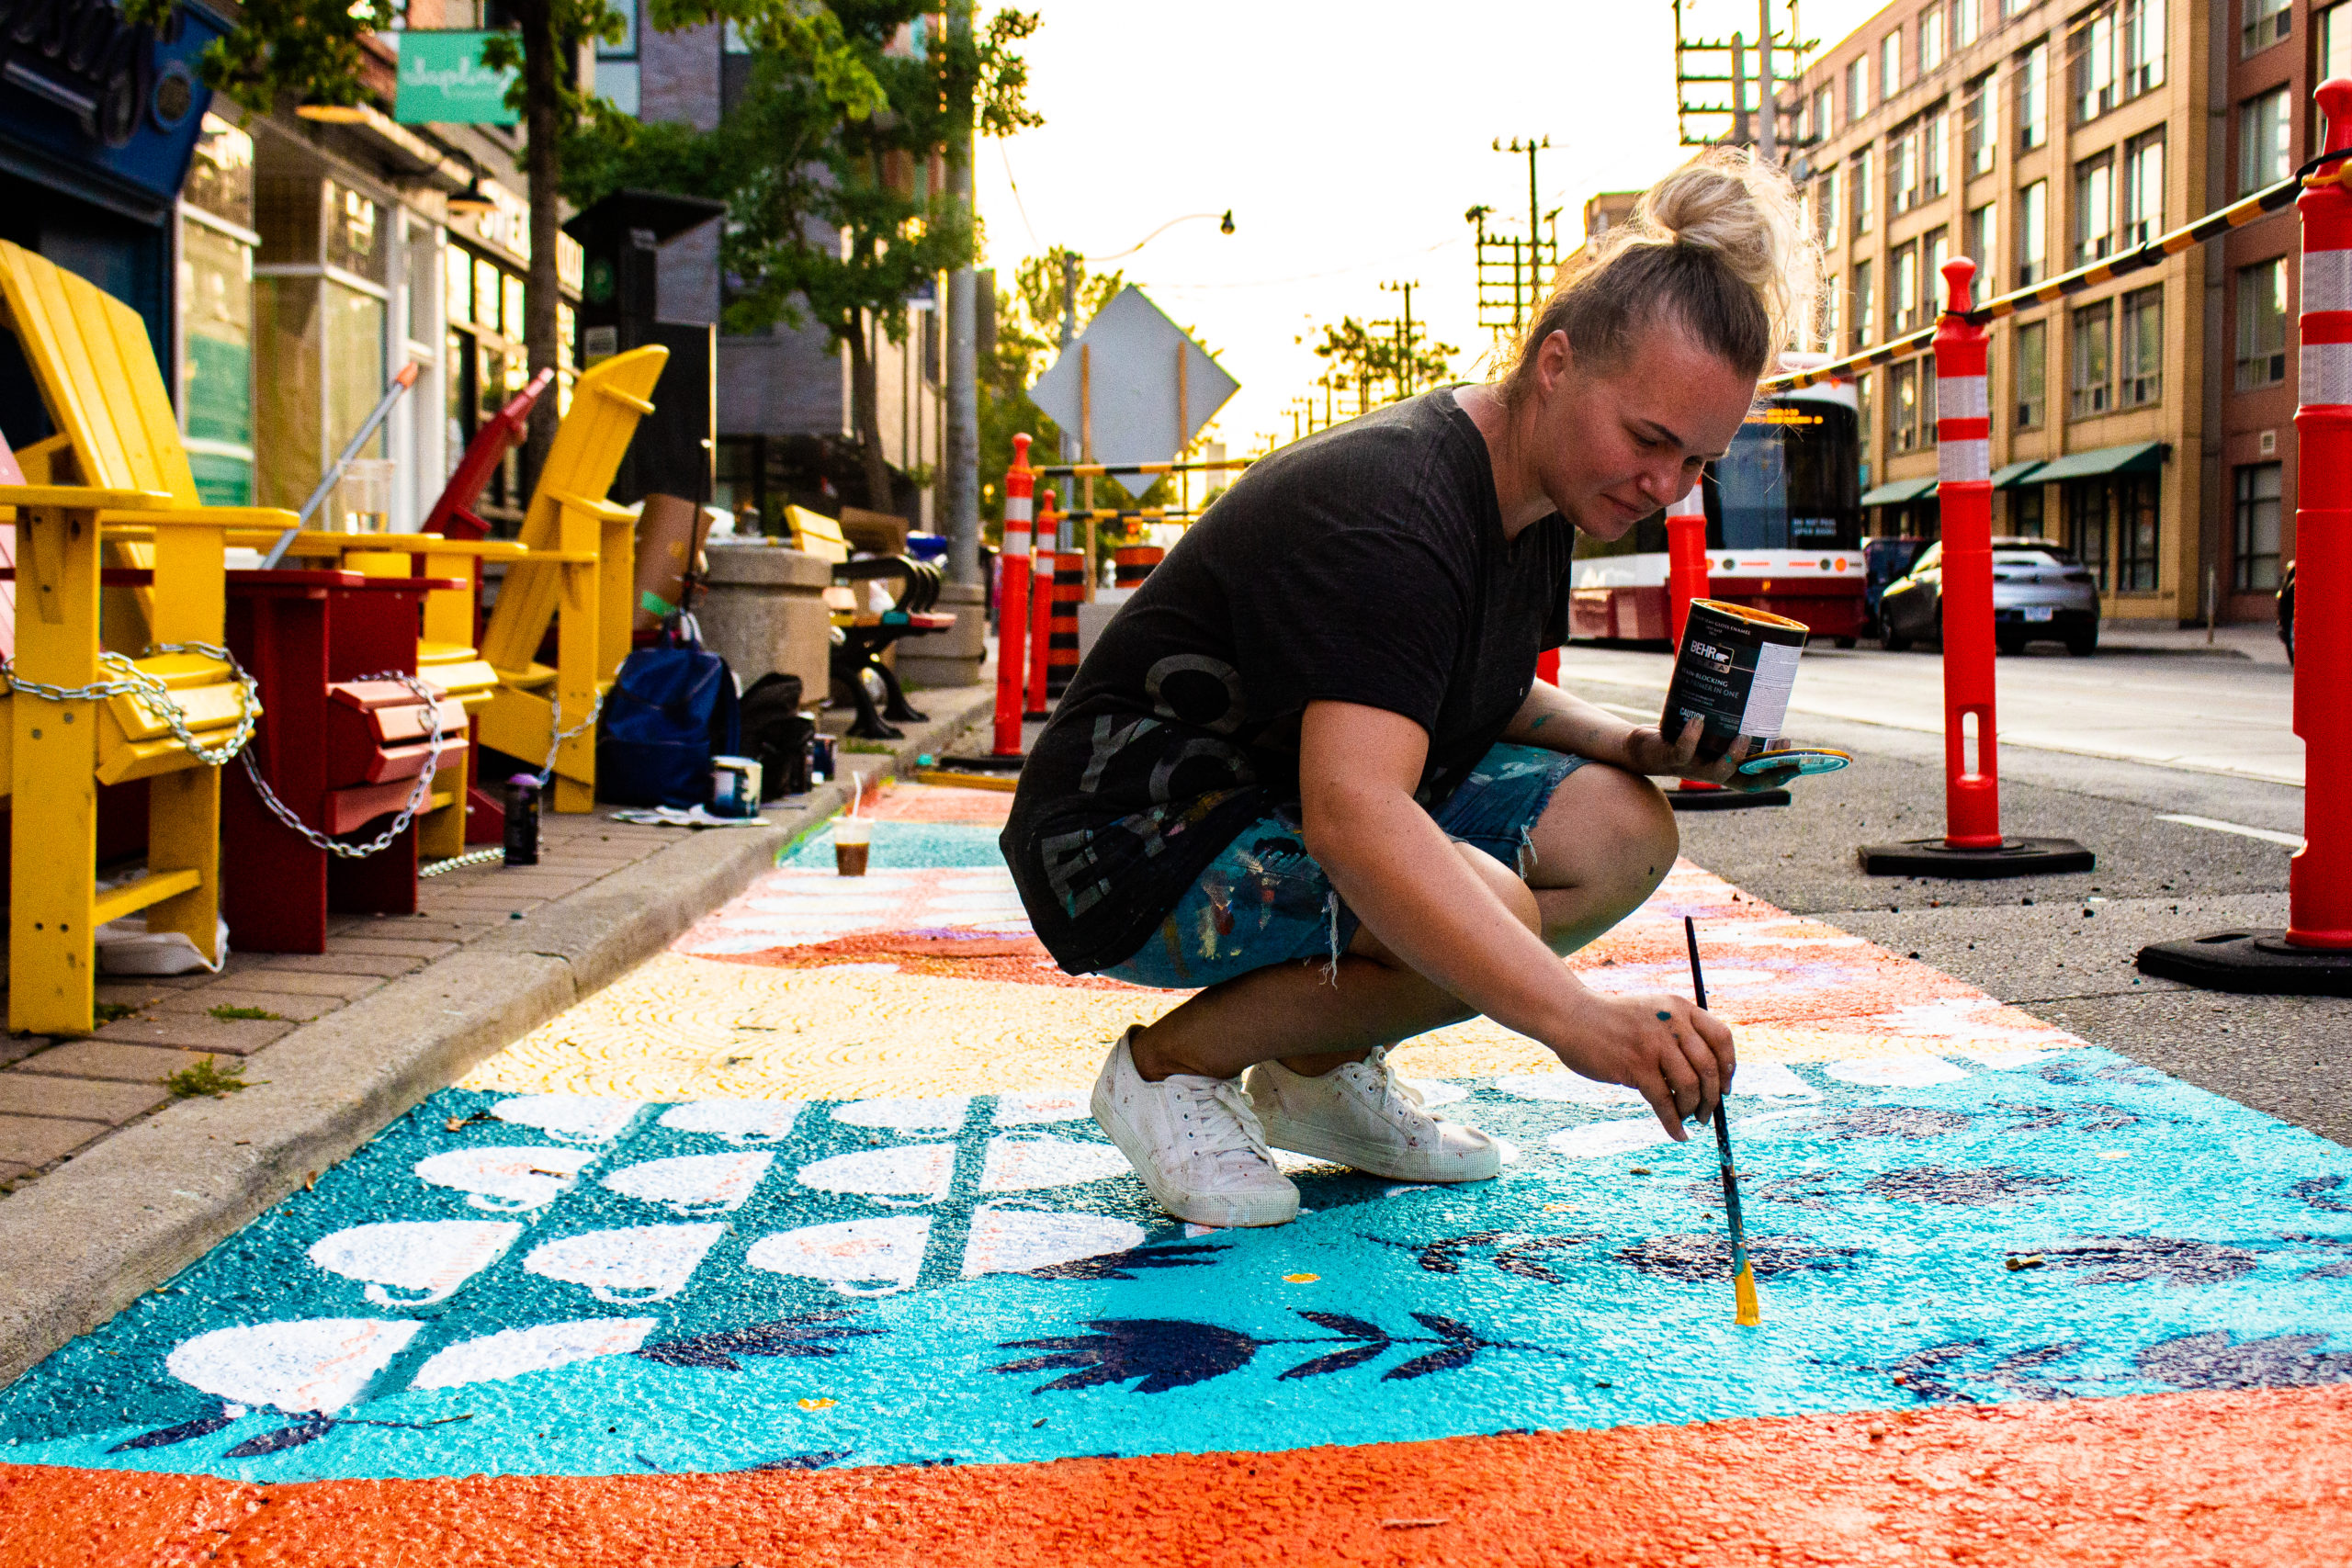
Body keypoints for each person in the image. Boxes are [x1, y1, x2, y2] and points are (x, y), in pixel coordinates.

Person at [1001, 148, 1824, 1228]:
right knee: (1493, 907)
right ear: (1556, 361)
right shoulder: (1400, 506)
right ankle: (1164, 1073)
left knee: (1621, 829)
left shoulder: (1540, 493)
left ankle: (1314, 1074)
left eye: (1696, 464)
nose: (1663, 487)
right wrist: (1575, 1020)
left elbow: (1480, 692)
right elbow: (1356, 814)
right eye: (1648, 440)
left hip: (1269, 801)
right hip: (1131, 840)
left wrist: (1634, 747)